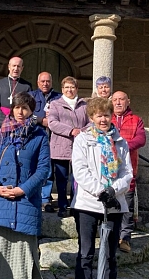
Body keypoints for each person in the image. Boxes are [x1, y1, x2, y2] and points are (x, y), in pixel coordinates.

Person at [0, 92, 50, 279]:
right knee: (0, 254)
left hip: (25, 202)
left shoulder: (39, 136)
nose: (20, 112)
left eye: (25, 108)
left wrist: (24, 189)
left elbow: (43, 169)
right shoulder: (2, 134)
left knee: (24, 255)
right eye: (17, 107)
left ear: (31, 111)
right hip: (0, 202)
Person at [71, 97, 133, 279]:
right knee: (86, 252)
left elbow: (127, 172)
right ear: (91, 117)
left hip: (114, 204)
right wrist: (101, 192)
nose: (103, 120)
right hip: (88, 204)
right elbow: (80, 171)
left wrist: (113, 191)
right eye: (99, 116)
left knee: (109, 253)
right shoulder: (83, 140)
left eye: (106, 115)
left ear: (111, 116)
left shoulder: (120, 142)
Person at [48, 76, 89, 217]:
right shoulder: (55, 104)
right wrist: (71, 131)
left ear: (77, 89)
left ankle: (76, 205)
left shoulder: (84, 105)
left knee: (78, 178)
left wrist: (81, 131)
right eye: (66, 87)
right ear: (62, 89)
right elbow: (52, 122)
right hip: (61, 146)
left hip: (80, 147)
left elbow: (91, 122)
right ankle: (62, 206)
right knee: (61, 179)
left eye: (72, 87)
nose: (69, 90)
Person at [111, 91, 146, 253]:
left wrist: (123, 147)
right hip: (108, 170)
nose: (118, 102)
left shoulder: (136, 120)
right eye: (115, 100)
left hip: (128, 169)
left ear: (128, 101)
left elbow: (140, 139)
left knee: (126, 206)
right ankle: (110, 237)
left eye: (121, 99)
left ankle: (124, 238)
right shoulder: (107, 118)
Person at [29, 71, 62, 213]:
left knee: (49, 170)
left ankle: (45, 199)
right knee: (35, 167)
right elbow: (26, 115)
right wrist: (41, 120)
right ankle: (33, 195)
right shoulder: (31, 96)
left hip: (54, 138)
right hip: (35, 137)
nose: (45, 84)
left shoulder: (59, 98)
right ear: (38, 83)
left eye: (47, 81)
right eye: (42, 81)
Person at [0, 56, 32, 131]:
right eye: (14, 66)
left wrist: (18, 122)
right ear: (9, 67)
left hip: (19, 125)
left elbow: (29, 107)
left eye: (18, 66)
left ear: (22, 68)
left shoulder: (27, 86)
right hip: (1, 125)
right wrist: (6, 122)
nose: (16, 69)